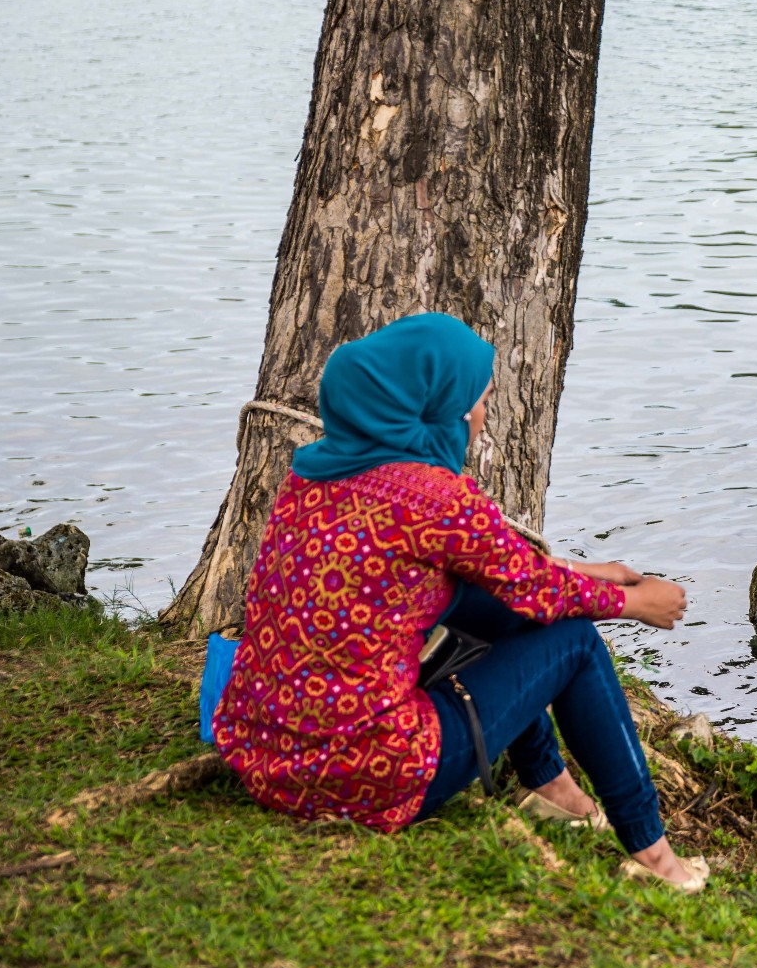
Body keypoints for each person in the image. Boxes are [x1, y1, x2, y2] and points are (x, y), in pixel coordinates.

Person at [212, 313, 704, 890]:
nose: (482, 415)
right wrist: (639, 603)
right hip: (372, 773)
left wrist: (589, 571)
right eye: (480, 400)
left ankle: (553, 792)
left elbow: (505, 576)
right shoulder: (437, 499)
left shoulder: (314, 477)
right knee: (574, 641)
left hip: (264, 759)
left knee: (505, 606)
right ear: (440, 409)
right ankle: (657, 860)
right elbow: (538, 592)